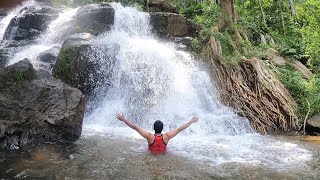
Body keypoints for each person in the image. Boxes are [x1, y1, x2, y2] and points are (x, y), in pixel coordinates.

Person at [116, 113, 199, 154]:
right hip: (164, 156)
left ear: (153, 128)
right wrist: (191, 121)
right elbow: (180, 129)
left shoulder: (150, 137)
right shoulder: (167, 136)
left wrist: (123, 119)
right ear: (162, 128)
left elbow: (135, 127)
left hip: (151, 156)